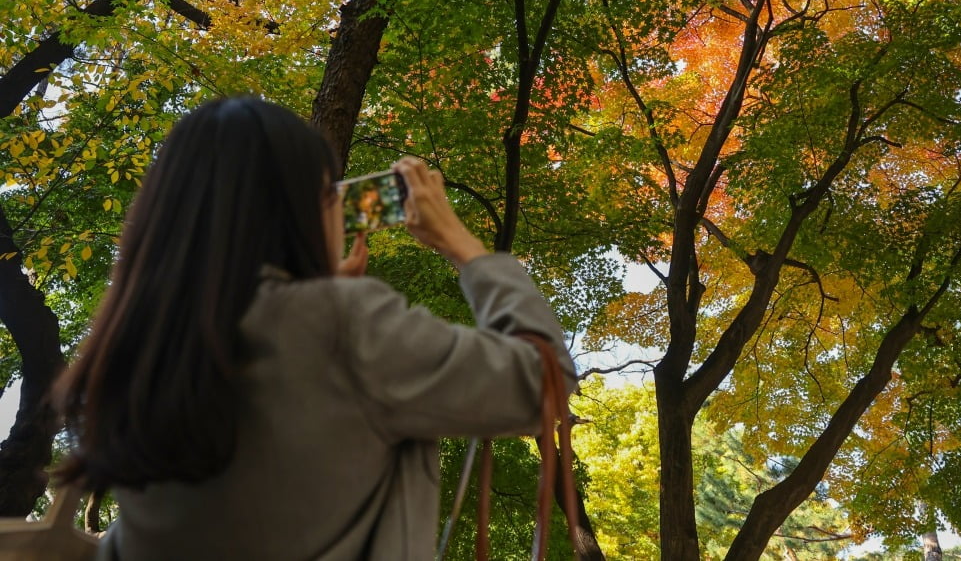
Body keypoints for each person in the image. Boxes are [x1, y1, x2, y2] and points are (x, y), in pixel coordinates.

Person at [51, 96, 576, 560]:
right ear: (295, 213)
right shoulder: (343, 323)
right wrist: (462, 245)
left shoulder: (134, 342)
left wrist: (318, 292)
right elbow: (544, 382)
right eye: (330, 198)